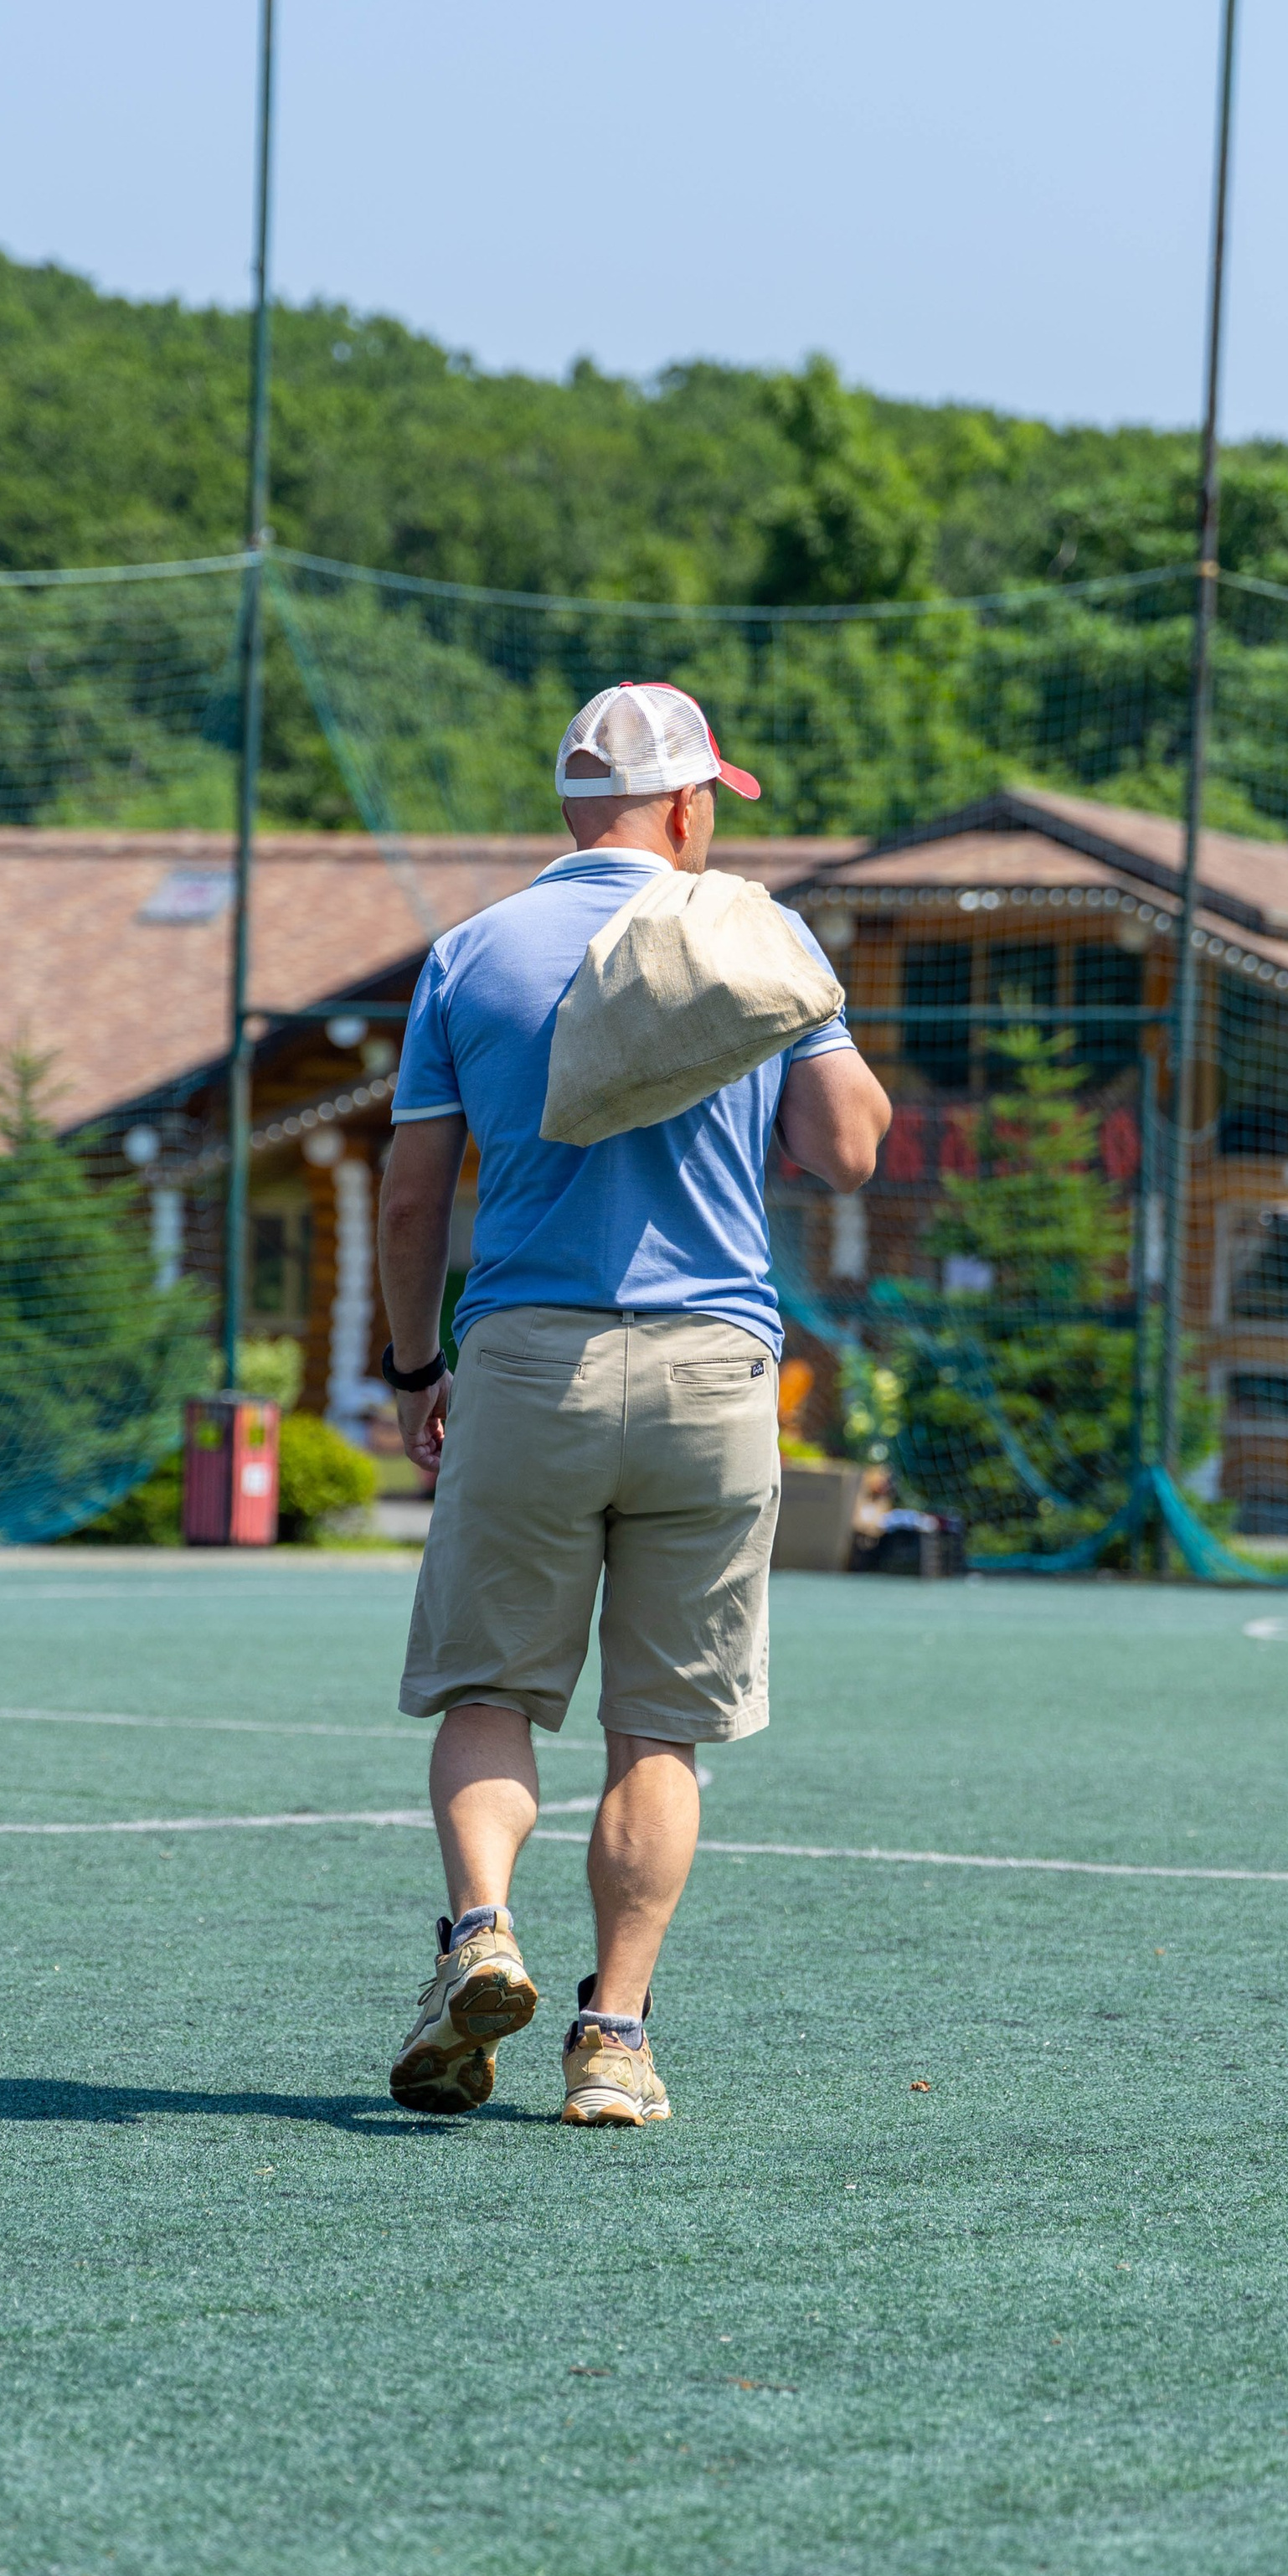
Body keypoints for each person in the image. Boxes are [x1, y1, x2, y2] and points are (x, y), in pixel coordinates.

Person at [376, 682, 891, 2124]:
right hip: (713, 1372)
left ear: (570, 808)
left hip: (529, 1362)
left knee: (489, 1693)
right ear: (686, 806)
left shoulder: (469, 954)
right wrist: (809, 999)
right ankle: (614, 2041)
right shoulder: (753, 932)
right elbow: (848, 1152)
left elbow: (416, 1193)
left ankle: (480, 1933)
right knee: (653, 1734)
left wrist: (420, 1368)